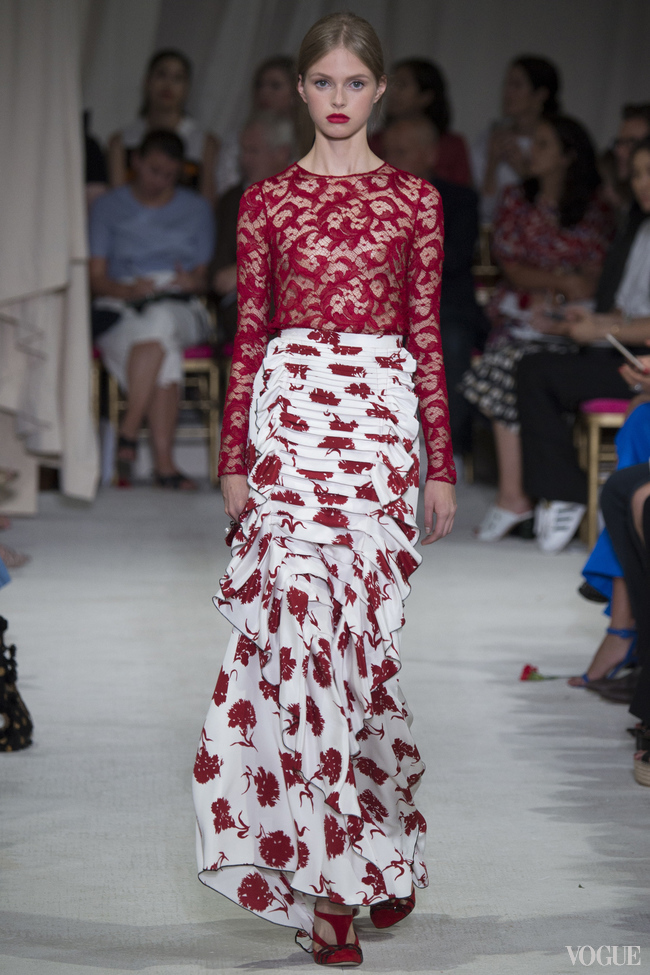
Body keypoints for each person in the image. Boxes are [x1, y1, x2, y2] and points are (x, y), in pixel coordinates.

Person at [192, 12, 456, 967]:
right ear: (300, 88)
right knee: (299, 650)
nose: (337, 99)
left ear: (379, 90)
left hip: (378, 433)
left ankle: (376, 841)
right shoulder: (265, 201)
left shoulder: (416, 201)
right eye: (321, 82)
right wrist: (233, 455)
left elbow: (424, 333)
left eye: (354, 82)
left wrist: (439, 461)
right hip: (292, 428)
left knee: (357, 655)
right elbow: (249, 334)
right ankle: (334, 881)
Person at [460, 115, 614, 542]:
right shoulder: (517, 198)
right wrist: (563, 280)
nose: (532, 152)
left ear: (568, 156)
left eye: (543, 144)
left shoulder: (594, 208)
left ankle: (516, 496)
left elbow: (596, 277)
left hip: (575, 323)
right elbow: (512, 266)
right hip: (520, 317)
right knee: (509, 358)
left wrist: (561, 293)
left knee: (507, 365)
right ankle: (521, 493)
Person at [518, 136, 650, 552]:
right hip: (624, 348)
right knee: (532, 363)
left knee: (536, 372)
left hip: (641, 360)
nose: (642, 182)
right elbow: (627, 310)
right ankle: (561, 492)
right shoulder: (637, 227)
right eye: (638, 173)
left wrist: (600, 329)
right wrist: (590, 320)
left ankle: (566, 494)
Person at [90, 130, 215, 489]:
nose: (160, 181)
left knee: (160, 321)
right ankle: (165, 465)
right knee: (164, 349)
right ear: (136, 162)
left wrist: (192, 282)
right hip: (121, 302)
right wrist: (127, 290)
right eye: (154, 170)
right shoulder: (108, 207)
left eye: (170, 175)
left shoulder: (196, 209)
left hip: (179, 302)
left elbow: (203, 278)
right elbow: (95, 278)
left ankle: (129, 430)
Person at [382, 115, 487, 456]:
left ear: (429, 155)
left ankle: (447, 451)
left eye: (402, 152)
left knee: (449, 341)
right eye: (388, 152)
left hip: (443, 305)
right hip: (383, 303)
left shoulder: (459, 199)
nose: (391, 161)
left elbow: (452, 258)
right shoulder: (370, 198)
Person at [211, 112, 295, 352]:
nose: (244, 159)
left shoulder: (308, 197)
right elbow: (218, 277)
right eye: (243, 150)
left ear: (281, 153)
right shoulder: (232, 201)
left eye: (253, 151)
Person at [108, 49, 218, 202]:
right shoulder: (121, 141)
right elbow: (116, 199)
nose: (168, 84)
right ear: (147, 81)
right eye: (161, 75)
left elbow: (207, 204)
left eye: (178, 78)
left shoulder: (205, 143)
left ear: (187, 88)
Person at [472, 55, 561, 223]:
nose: (507, 92)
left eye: (517, 85)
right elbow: (481, 207)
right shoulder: (489, 137)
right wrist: (492, 163)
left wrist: (525, 172)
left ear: (540, 94)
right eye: (507, 84)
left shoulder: (554, 143)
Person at [216, 56, 314, 197]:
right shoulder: (241, 137)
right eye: (259, 85)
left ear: (297, 92)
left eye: (275, 86)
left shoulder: (312, 141)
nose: (264, 92)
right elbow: (227, 187)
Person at [372, 59, 472, 186]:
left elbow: (460, 191)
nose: (392, 92)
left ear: (426, 95)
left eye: (401, 85)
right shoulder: (373, 141)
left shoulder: (452, 145)